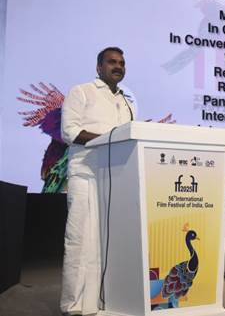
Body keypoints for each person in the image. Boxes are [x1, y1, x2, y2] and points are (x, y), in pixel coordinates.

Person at [60, 47, 136, 315]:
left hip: (117, 177)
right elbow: (70, 131)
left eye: (122, 63)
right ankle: (74, 305)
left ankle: (105, 301)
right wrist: (109, 139)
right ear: (99, 67)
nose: (118, 66)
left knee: (109, 242)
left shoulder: (127, 101)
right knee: (80, 239)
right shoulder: (81, 91)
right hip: (86, 173)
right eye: (112, 62)